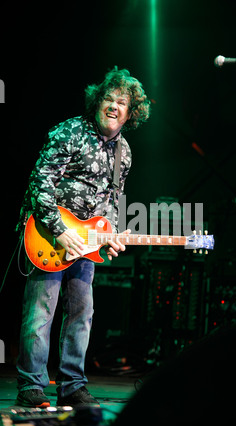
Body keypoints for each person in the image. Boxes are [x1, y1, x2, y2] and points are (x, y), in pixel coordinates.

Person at [15, 67, 151, 408]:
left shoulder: (125, 152)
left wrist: (112, 235)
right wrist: (59, 232)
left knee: (82, 313)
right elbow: (40, 181)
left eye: (123, 102)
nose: (114, 106)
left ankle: (72, 385)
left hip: (87, 243)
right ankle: (32, 385)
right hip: (48, 234)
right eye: (109, 98)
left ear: (131, 112)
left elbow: (111, 203)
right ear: (97, 101)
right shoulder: (71, 131)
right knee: (40, 312)